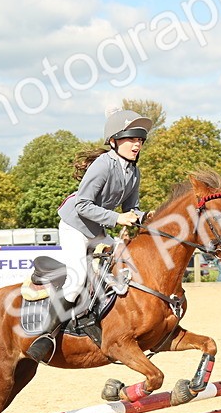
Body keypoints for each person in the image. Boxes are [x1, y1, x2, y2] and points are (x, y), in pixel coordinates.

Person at [25, 109, 153, 362]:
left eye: (140, 140)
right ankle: (46, 335)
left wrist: (146, 216)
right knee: (76, 281)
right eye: (131, 139)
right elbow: (82, 204)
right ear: (114, 141)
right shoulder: (103, 164)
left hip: (96, 230)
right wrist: (117, 218)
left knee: (127, 264)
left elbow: (132, 208)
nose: (137, 144)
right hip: (75, 226)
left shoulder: (133, 172)